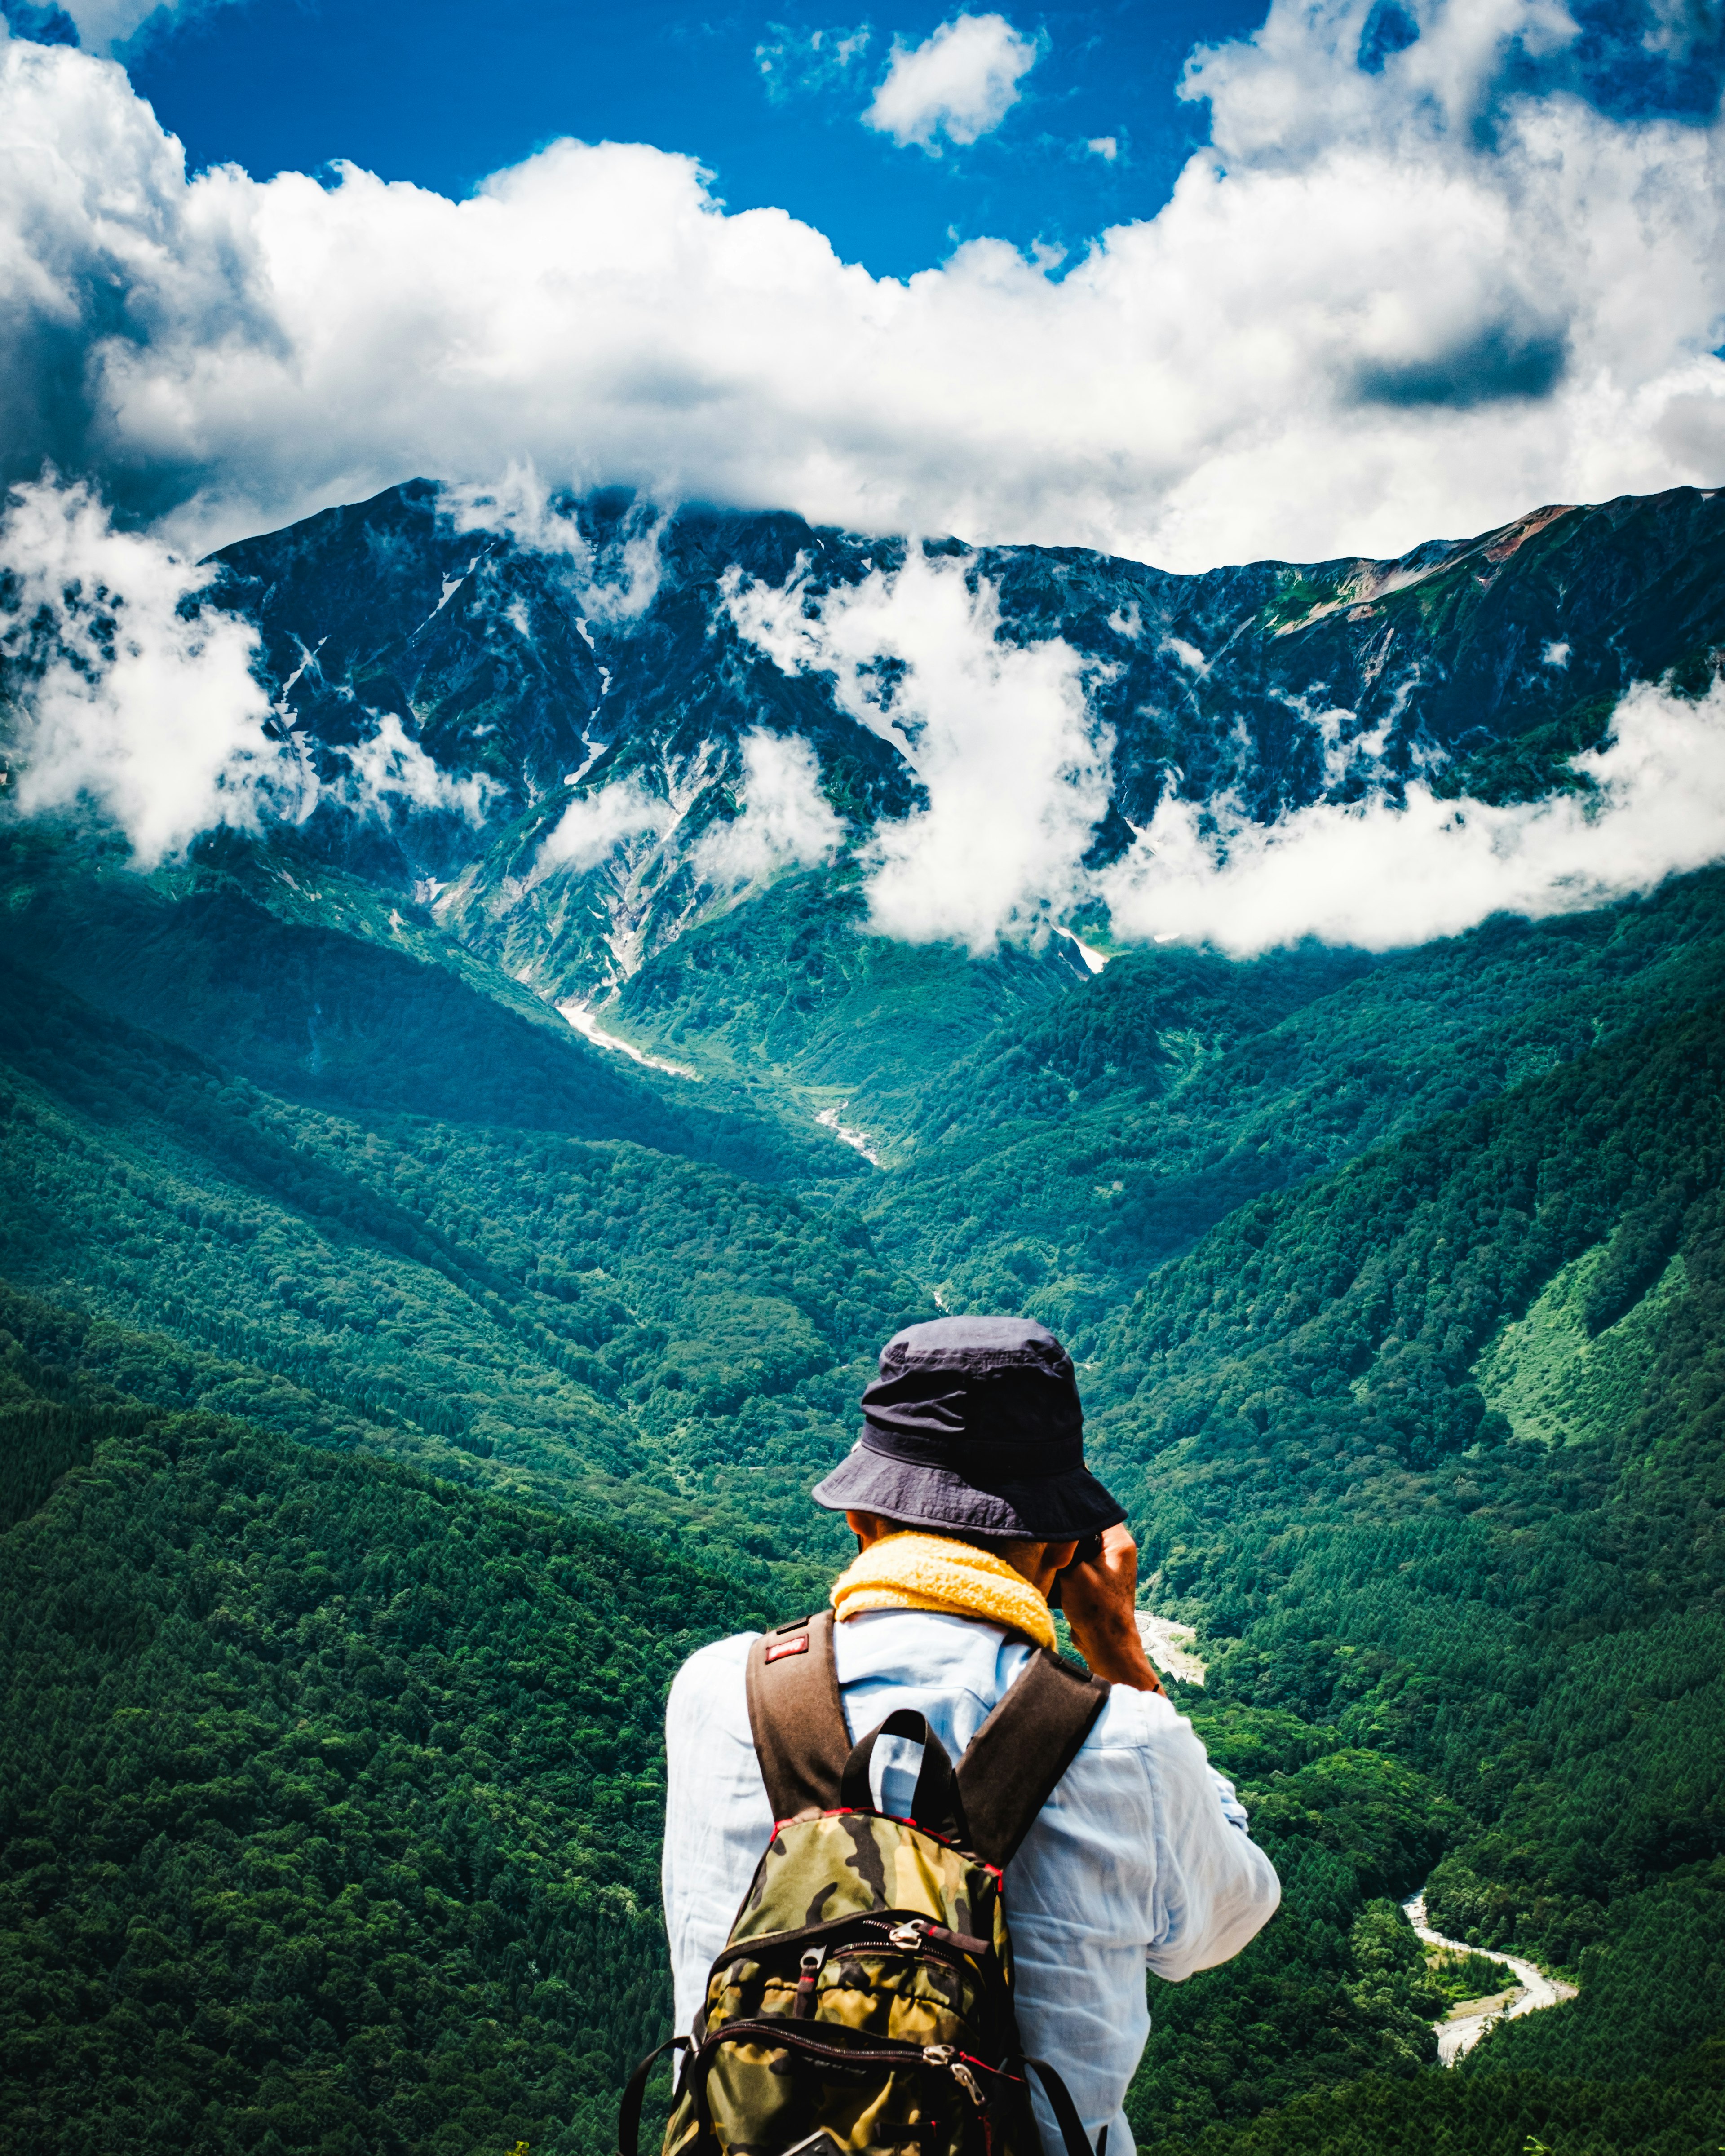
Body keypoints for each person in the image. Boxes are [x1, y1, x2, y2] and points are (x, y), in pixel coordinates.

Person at [662, 1315, 1281, 2155]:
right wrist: (1119, 1649)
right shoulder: (1128, 1742)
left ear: (860, 1524)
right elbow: (1222, 1925)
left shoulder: (717, 1692)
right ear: (1067, 1548)